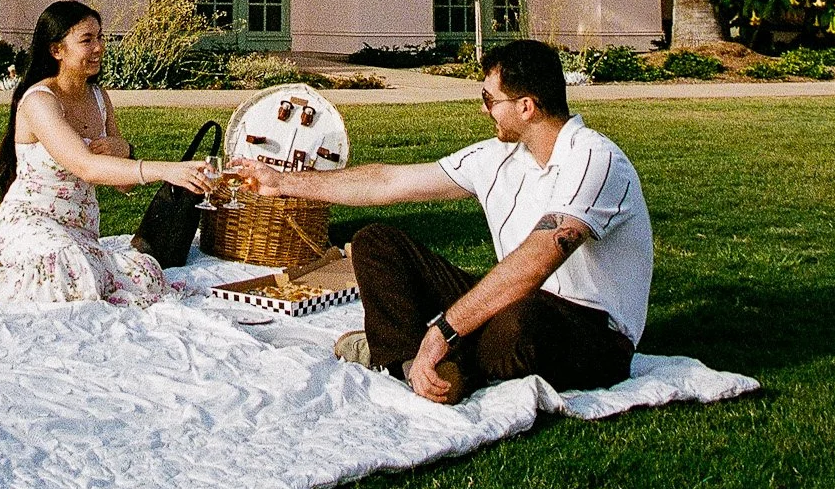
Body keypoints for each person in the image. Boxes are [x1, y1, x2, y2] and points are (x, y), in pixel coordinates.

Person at [234, 38, 651, 403]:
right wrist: (282, 182)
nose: (484, 108)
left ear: (526, 106)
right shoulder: (497, 156)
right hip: (514, 301)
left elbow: (536, 262)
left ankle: (436, 357)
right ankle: (413, 364)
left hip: (590, 331)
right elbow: (388, 182)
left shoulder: (595, 160)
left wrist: (444, 331)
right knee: (374, 243)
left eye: (490, 99)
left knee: (519, 327)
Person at [0, 0, 207, 307]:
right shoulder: (39, 101)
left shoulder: (100, 97)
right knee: (72, 273)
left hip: (80, 230)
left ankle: (2, 272)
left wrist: (124, 148)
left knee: (146, 275)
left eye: (100, 37)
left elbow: (122, 184)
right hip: (30, 221)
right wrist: (167, 169)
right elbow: (87, 167)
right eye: (87, 40)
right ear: (56, 50)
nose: (99, 47)